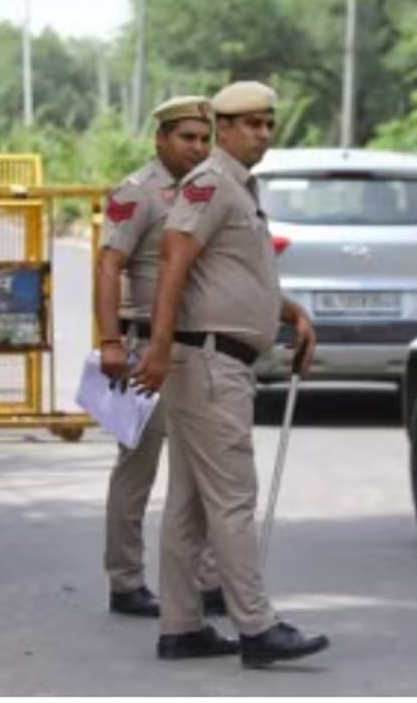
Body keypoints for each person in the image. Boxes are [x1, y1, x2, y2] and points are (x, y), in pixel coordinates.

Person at [131, 81, 328, 667]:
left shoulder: (240, 188)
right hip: (209, 362)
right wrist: (159, 348)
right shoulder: (212, 183)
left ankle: (182, 626)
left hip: (216, 358)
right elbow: (174, 258)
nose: (263, 135)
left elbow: (230, 274)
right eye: (250, 125)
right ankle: (258, 627)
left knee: (191, 501)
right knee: (234, 498)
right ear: (224, 128)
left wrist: (287, 311)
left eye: (269, 124)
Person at [93, 97, 225, 618]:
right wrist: (108, 341)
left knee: (200, 467)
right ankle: (125, 580)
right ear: (161, 140)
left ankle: (208, 579)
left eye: (203, 138)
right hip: (141, 347)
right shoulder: (137, 193)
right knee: (138, 468)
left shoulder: (209, 191)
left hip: (192, 347)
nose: (196, 147)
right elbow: (108, 266)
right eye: (186, 137)